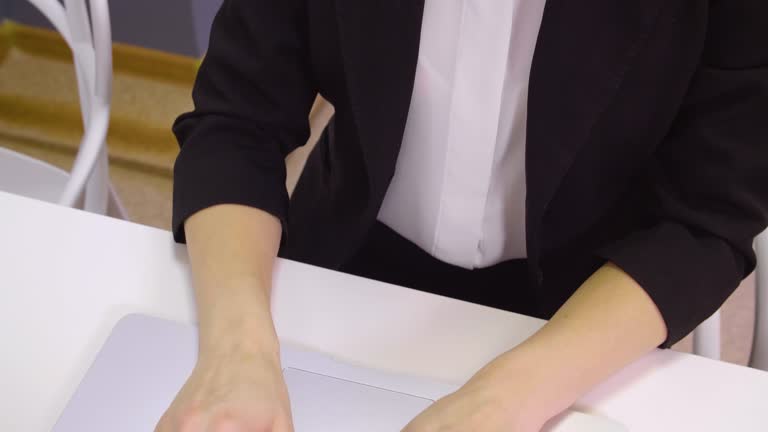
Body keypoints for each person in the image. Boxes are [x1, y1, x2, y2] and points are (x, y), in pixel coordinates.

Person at [156, 1, 768, 431]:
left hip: (589, 300)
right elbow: (237, 121)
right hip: (343, 259)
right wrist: (236, 349)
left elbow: (706, 218)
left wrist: (512, 395)